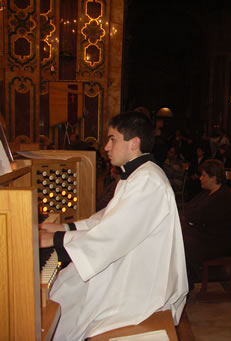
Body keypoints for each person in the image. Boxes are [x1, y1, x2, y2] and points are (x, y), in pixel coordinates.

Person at [39, 112, 188, 340]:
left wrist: (56, 241)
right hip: (130, 265)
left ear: (133, 143)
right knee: (64, 291)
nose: (106, 147)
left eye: (112, 139)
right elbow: (109, 219)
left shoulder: (148, 180)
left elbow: (114, 235)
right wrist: (66, 229)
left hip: (142, 283)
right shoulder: (138, 174)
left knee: (66, 304)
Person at [182, 159, 231, 285]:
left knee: (185, 244)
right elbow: (189, 209)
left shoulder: (223, 196)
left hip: (219, 243)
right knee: (179, 236)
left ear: (213, 178)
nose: (200, 178)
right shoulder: (208, 192)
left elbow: (197, 215)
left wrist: (190, 218)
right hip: (207, 235)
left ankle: (186, 282)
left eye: (204, 175)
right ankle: (180, 281)